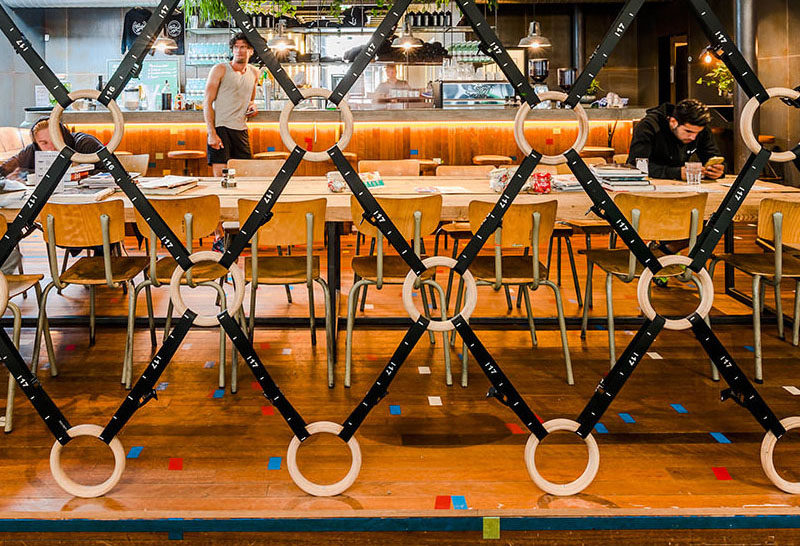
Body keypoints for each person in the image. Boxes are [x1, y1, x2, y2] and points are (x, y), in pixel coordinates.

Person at [627, 98, 725, 181]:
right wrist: (677, 173)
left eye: (697, 133)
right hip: (648, 186)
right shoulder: (649, 126)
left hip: (684, 188)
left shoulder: (700, 128)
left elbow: (714, 157)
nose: (693, 137)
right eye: (688, 132)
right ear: (673, 122)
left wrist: (718, 171)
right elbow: (635, 166)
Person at [204, 32, 259, 178]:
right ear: (232, 50)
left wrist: (252, 106)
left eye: (244, 47)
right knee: (221, 178)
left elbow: (251, 99)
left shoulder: (254, 72)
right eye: (236, 47)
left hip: (241, 130)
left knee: (245, 177)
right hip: (221, 129)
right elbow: (207, 102)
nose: (239, 51)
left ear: (251, 51)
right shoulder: (220, 69)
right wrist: (212, 133)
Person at [0, 117, 103, 181]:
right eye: (44, 143)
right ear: (37, 144)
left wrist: (81, 173)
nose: (52, 148)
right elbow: (4, 171)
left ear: (64, 136)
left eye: (56, 140)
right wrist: (13, 178)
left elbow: (111, 170)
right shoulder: (32, 150)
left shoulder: (85, 144)